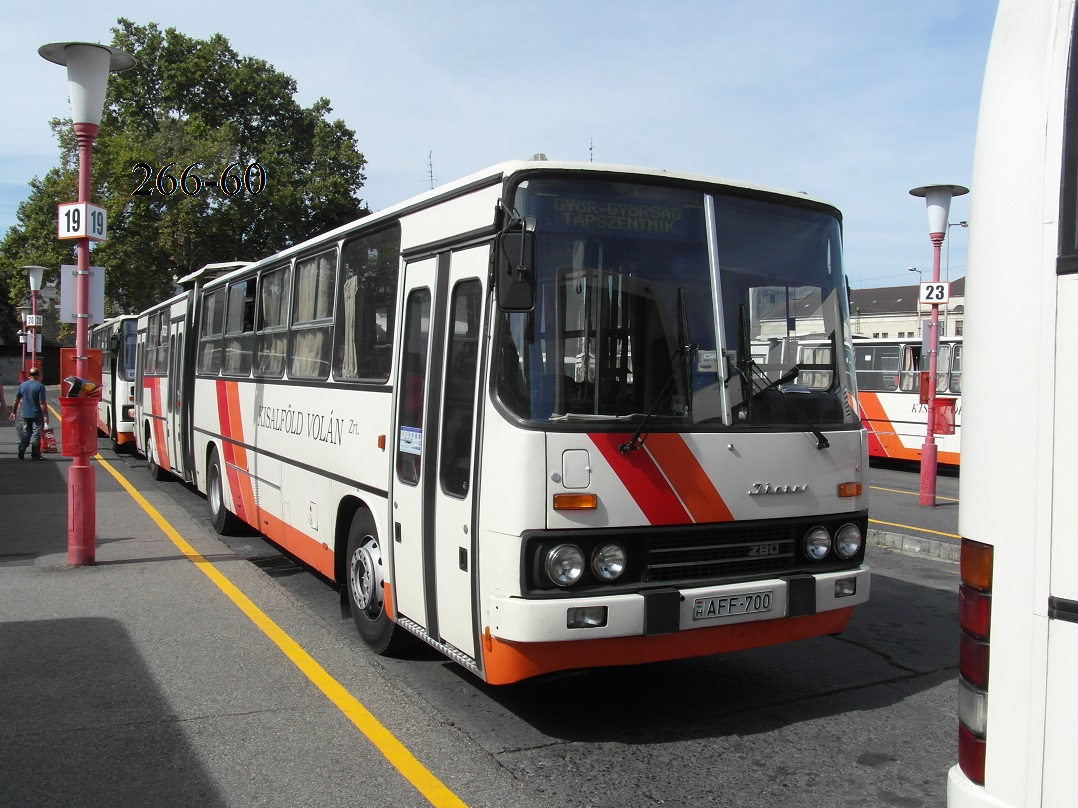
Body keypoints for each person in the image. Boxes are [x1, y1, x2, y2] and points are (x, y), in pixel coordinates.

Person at [10, 367, 48, 460]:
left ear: (29, 375)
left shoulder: (22, 385)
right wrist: (46, 415)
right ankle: (35, 454)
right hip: (37, 413)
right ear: (38, 375)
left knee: (26, 431)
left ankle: (22, 447)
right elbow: (41, 402)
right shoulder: (40, 386)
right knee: (37, 433)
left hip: (26, 413)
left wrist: (13, 412)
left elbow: (16, 400)